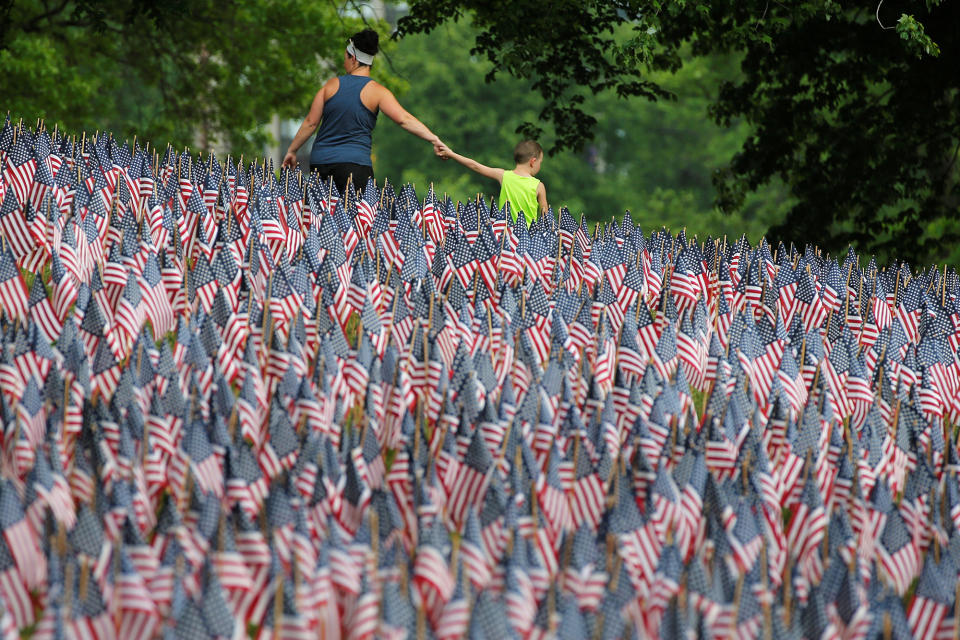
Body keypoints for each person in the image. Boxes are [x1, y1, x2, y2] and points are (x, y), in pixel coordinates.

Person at [282, 28, 445, 195]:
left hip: (321, 164)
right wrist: (434, 138)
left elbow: (311, 122)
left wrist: (292, 150)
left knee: (322, 219)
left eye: (345, 57)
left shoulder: (330, 86)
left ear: (353, 58)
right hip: (355, 166)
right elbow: (404, 119)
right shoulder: (378, 92)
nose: (343, 61)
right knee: (356, 220)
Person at [437, 139, 548, 225]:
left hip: (505, 238)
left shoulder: (504, 176)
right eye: (540, 162)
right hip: (528, 242)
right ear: (533, 161)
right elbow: (546, 218)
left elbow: (475, 166)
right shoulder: (538, 186)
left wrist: (451, 154)